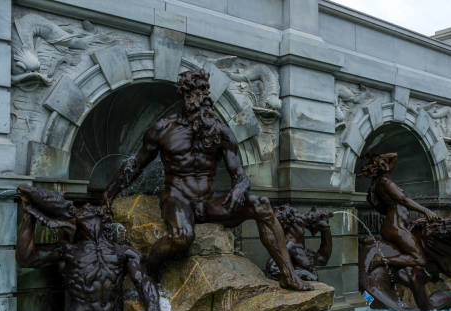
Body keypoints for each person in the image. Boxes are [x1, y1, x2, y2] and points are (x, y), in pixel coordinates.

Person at [104, 69, 310, 291]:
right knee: (183, 237)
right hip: (177, 199)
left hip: (208, 204)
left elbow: (240, 175)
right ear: (185, 97)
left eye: (205, 91)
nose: (202, 97)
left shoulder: (220, 131)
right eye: (196, 92)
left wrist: (240, 189)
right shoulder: (163, 129)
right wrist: (107, 196)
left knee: (261, 204)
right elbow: (135, 165)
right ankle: (148, 267)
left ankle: (288, 275)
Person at [16, 185, 161, 311]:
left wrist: (154, 308)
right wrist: (30, 215)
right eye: (82, 210)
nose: (85, 209)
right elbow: (26, 258)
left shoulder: (123, 253)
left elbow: (143, 280)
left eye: (90, 209)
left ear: (105, 218)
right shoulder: (68, 251)